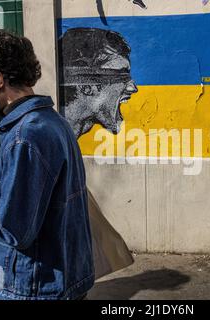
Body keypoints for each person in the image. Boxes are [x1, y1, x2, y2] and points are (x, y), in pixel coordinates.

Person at [0, 25, 94, 300]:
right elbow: (45, 198)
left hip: (32, 287)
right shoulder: (53, 121)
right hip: (64, 279)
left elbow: (15, 231)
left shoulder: (25, 136)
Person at [59, 27, 137, 278]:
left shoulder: (65, 138)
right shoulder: (52, 139)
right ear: (89, 86)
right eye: (122, 76)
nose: (132, 87)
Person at [59, 27, 138, 138]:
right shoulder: (45, 139)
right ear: (86, 86)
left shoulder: (60, 137)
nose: (133, 88)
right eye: (121, 75)